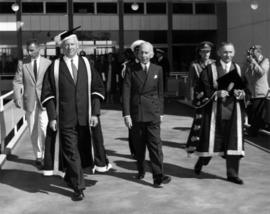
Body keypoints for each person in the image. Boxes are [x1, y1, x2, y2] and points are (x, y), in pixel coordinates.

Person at [41, 32, 105, 201]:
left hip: (86, 118)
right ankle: (78, 187)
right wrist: (52, 117)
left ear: (78, 46)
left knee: (83, 151)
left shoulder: (87, 64)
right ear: (62, 48)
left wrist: (95, 112)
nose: (69, 47)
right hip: (65, 119)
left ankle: (71, 176)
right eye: (66, 45)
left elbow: (97, 89)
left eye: (72, 44)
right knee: (71, 151)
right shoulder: (54, 67)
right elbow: (47, 94)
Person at [190, 42, 248, 185]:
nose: (227, 55)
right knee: (211, 142)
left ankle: (232, 174)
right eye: (225, 52)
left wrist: (242, 94)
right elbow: (200, 88)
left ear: (233, 53)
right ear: (219, 53)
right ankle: (201, 161)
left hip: (234, 112)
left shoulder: (238, 68)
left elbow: (246, 87)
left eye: (230, 52)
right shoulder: (210, 69)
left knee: (233, 142)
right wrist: (215, 93)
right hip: (215, 111)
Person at [122, 41, 171, 187]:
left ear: (152, 54)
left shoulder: (158, 69)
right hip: (137, 113)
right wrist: (126, 114)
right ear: (137, 54)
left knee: (156, 145)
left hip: (153, 113)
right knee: (139, 145)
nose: (144, 55)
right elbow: (126, 93)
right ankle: (141, 169)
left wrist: (161, 112)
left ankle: (158, 176)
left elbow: (160, 93)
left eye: (146, 52)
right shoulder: (131, 69)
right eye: (141, 52)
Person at [13, 39, 51, 168]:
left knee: (45, 129)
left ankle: (47, 156)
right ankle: (38, 156)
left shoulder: (48, 63)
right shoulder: (22, 63)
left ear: (39, 49)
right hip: (29, 101)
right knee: (33, 131)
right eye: (28, 50)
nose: (29, 52)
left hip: (45, 101)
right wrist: (17, 96)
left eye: (32, 50)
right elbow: (17, 81)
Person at [186, 41, 215, 154]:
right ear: (200, 53)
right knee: (199, 119)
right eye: (204, 52)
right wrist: (190, 96)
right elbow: (190, 81)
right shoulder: (195, 65)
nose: (206, 54)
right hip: (200, 96)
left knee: (211, 119)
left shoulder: (214, 63)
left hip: (212, 95)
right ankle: (194, 143)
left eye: (208, 51)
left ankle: (208, 142)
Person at [243, 45, 270, 136]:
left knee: (257, 113)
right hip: (251, 92)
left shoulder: (265, 61)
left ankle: (253, 132)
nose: (250, 54)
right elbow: (245, 74)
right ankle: (256, 129)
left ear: (258, 52)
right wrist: (248, 63)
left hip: (260, 93)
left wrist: (253, 62)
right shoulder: (250, 61)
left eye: (252, 52)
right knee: (251, 112)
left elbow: (261, 72)